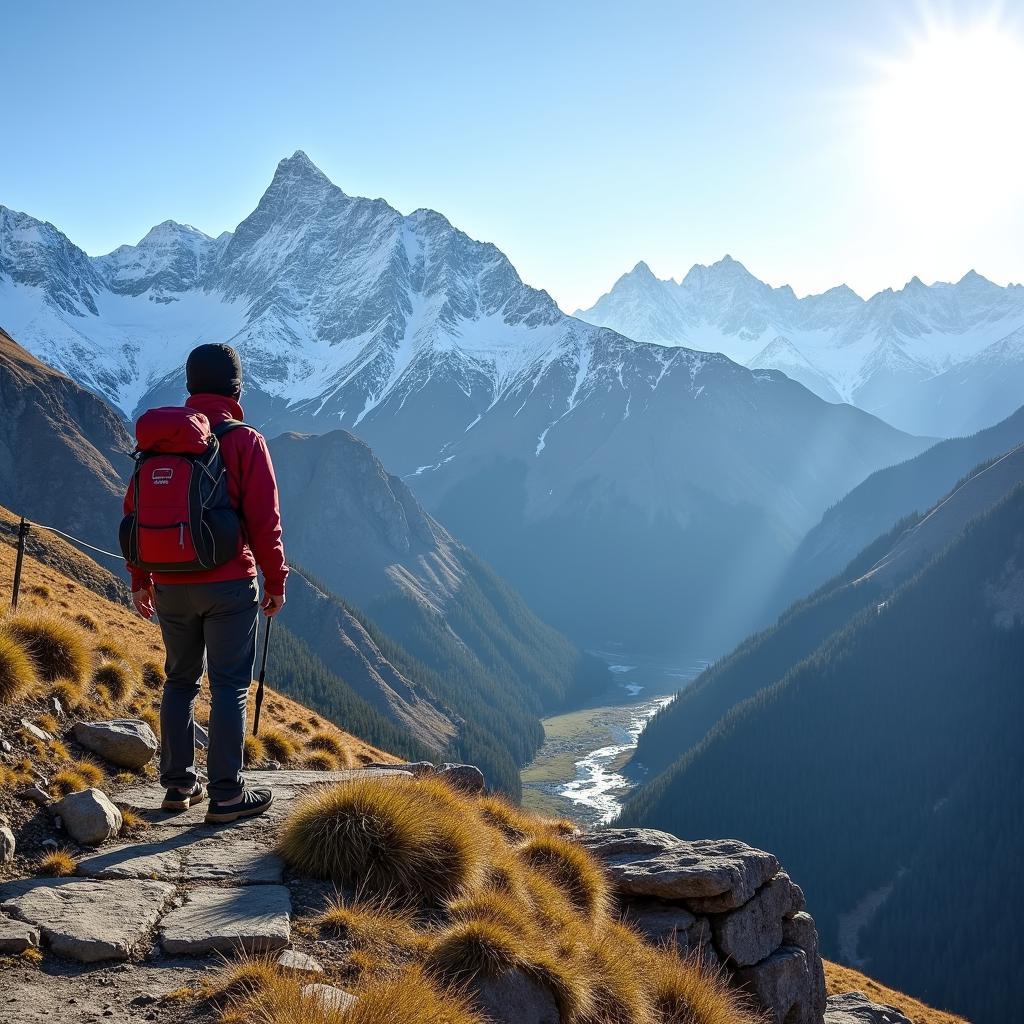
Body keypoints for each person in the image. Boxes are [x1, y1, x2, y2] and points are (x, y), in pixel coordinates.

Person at [124, 343, 288, 824]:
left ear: (190, 385)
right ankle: (226, 795)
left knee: (179, 681)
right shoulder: (246, 440)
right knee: (230, 686)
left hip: (169, 581)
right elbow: (264, 521)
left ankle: (177, 788)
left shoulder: (162, 440)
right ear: (237, 387)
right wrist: (275, 579)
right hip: (230, 585)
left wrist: (140, 579)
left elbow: (135, 512)